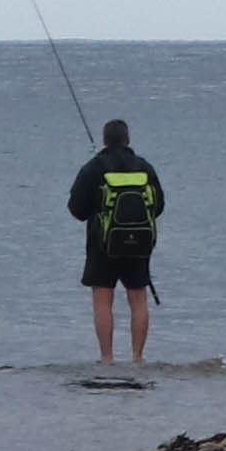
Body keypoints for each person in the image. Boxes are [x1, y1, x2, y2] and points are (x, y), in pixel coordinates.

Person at [69, 119, 164, 362]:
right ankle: (138, 357)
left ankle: (107, 357)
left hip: (102, 244)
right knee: (138, 298)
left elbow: (77, 210)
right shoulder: (144, 167)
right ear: (127, 139)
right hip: (140, 245)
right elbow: (159, 206)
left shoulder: (93, 168)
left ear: (104, 140)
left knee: (103, 299)